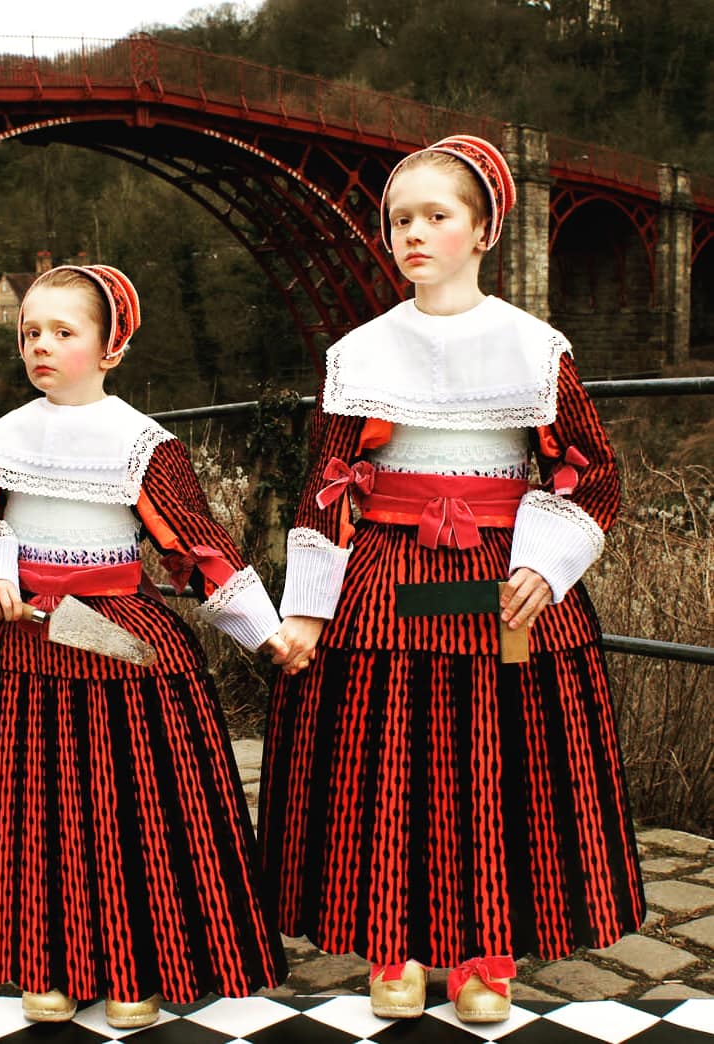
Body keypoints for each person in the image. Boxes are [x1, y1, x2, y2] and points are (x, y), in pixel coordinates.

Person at [259, 135, 644, 1024]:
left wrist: (546, 566)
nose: (414, 234)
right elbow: (328, 483)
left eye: (437, 216)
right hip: (385, 575)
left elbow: (589, 471)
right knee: (390, 755)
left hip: (500, 581)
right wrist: (310, 610)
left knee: (494, 757)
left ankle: (485, 956)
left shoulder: (534, 346)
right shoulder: (358, 352)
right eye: (401, 219)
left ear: (482, 232)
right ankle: (395, 949)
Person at [0, 263, 288, 1028]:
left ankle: (134, 964)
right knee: (35, 808)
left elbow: (198, 549)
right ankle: (46, 959)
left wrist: (267, 633)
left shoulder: (140, 444)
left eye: (64, 332)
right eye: (31, 331)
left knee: (130, 804)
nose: (42, 345)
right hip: (20, 645)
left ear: (110, 348)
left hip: (117, 636)